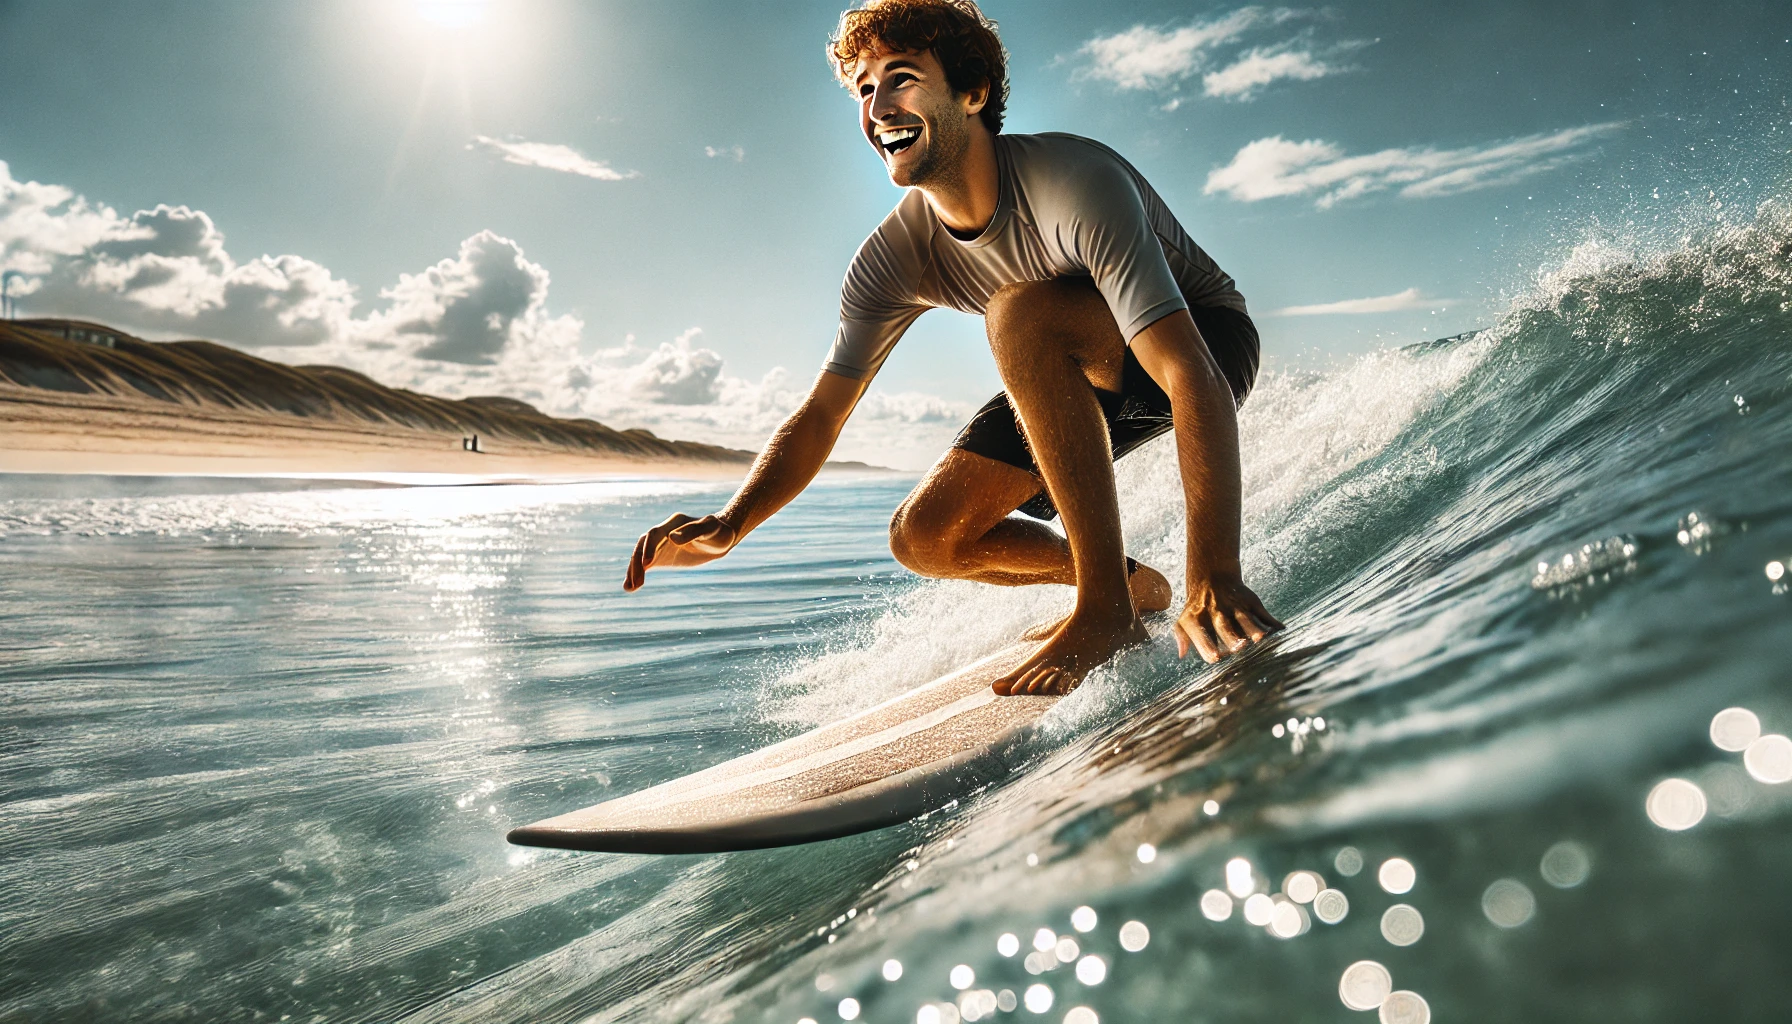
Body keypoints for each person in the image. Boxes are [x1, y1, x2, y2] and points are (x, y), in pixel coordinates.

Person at [624, 0, 1282, 695]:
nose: (878, 105)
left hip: (1205, 342)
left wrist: (1214, 573)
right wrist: (732, 522)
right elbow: (822, 417)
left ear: (972, 94)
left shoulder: (1074, 184)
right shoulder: (894, 259)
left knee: (1017, 312)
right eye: (864, 88)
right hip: (1071, 364)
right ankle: (1128, 586)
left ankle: (1103, 612)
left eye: (901, 77)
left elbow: (1186, 370)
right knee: (927, 535)